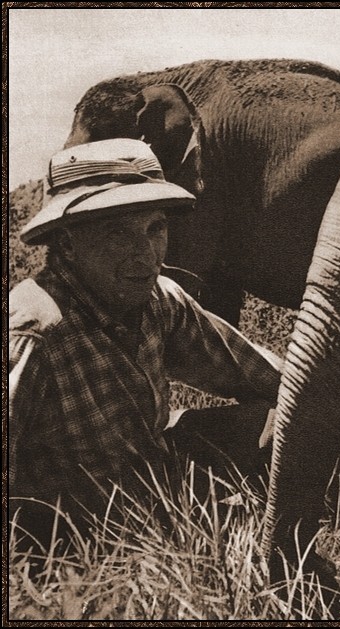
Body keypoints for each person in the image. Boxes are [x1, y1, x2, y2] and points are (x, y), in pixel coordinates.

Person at [9, 139, 280, 551]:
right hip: (70, 534)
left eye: (156, 228)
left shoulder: (159, 299)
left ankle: (305, 554)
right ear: (66, 244)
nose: (146, 254)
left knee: (288, 422)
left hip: (154, 482)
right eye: (117, 233)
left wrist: (335, 388)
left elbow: (262, 376)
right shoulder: (34, 333)